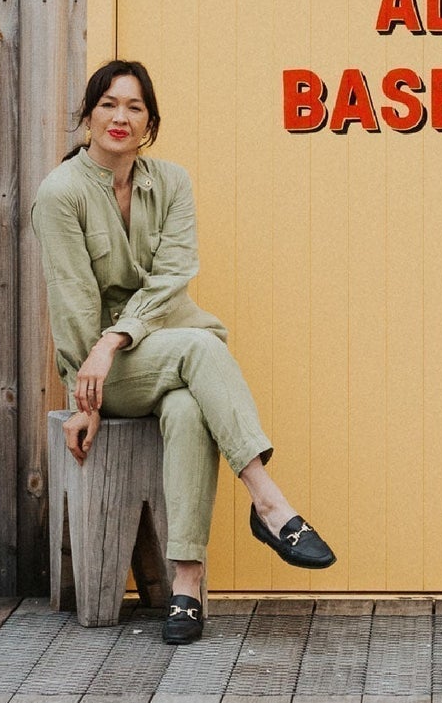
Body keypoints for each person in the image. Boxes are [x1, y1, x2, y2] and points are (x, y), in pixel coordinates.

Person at [32, 59, 335, 642]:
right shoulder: (61, 192)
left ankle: (186, 589)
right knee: (201, 348)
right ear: (88, 117)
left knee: (191, 407)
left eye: (135, 107)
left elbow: (172, 279)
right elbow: (71, 305)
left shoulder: (171, 182)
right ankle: (270, 506)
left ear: (150, 122)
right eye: (108, 105)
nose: (120, 117)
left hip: (157, 352)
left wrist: (120, 335)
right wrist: (87, 394)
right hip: (103, 373)